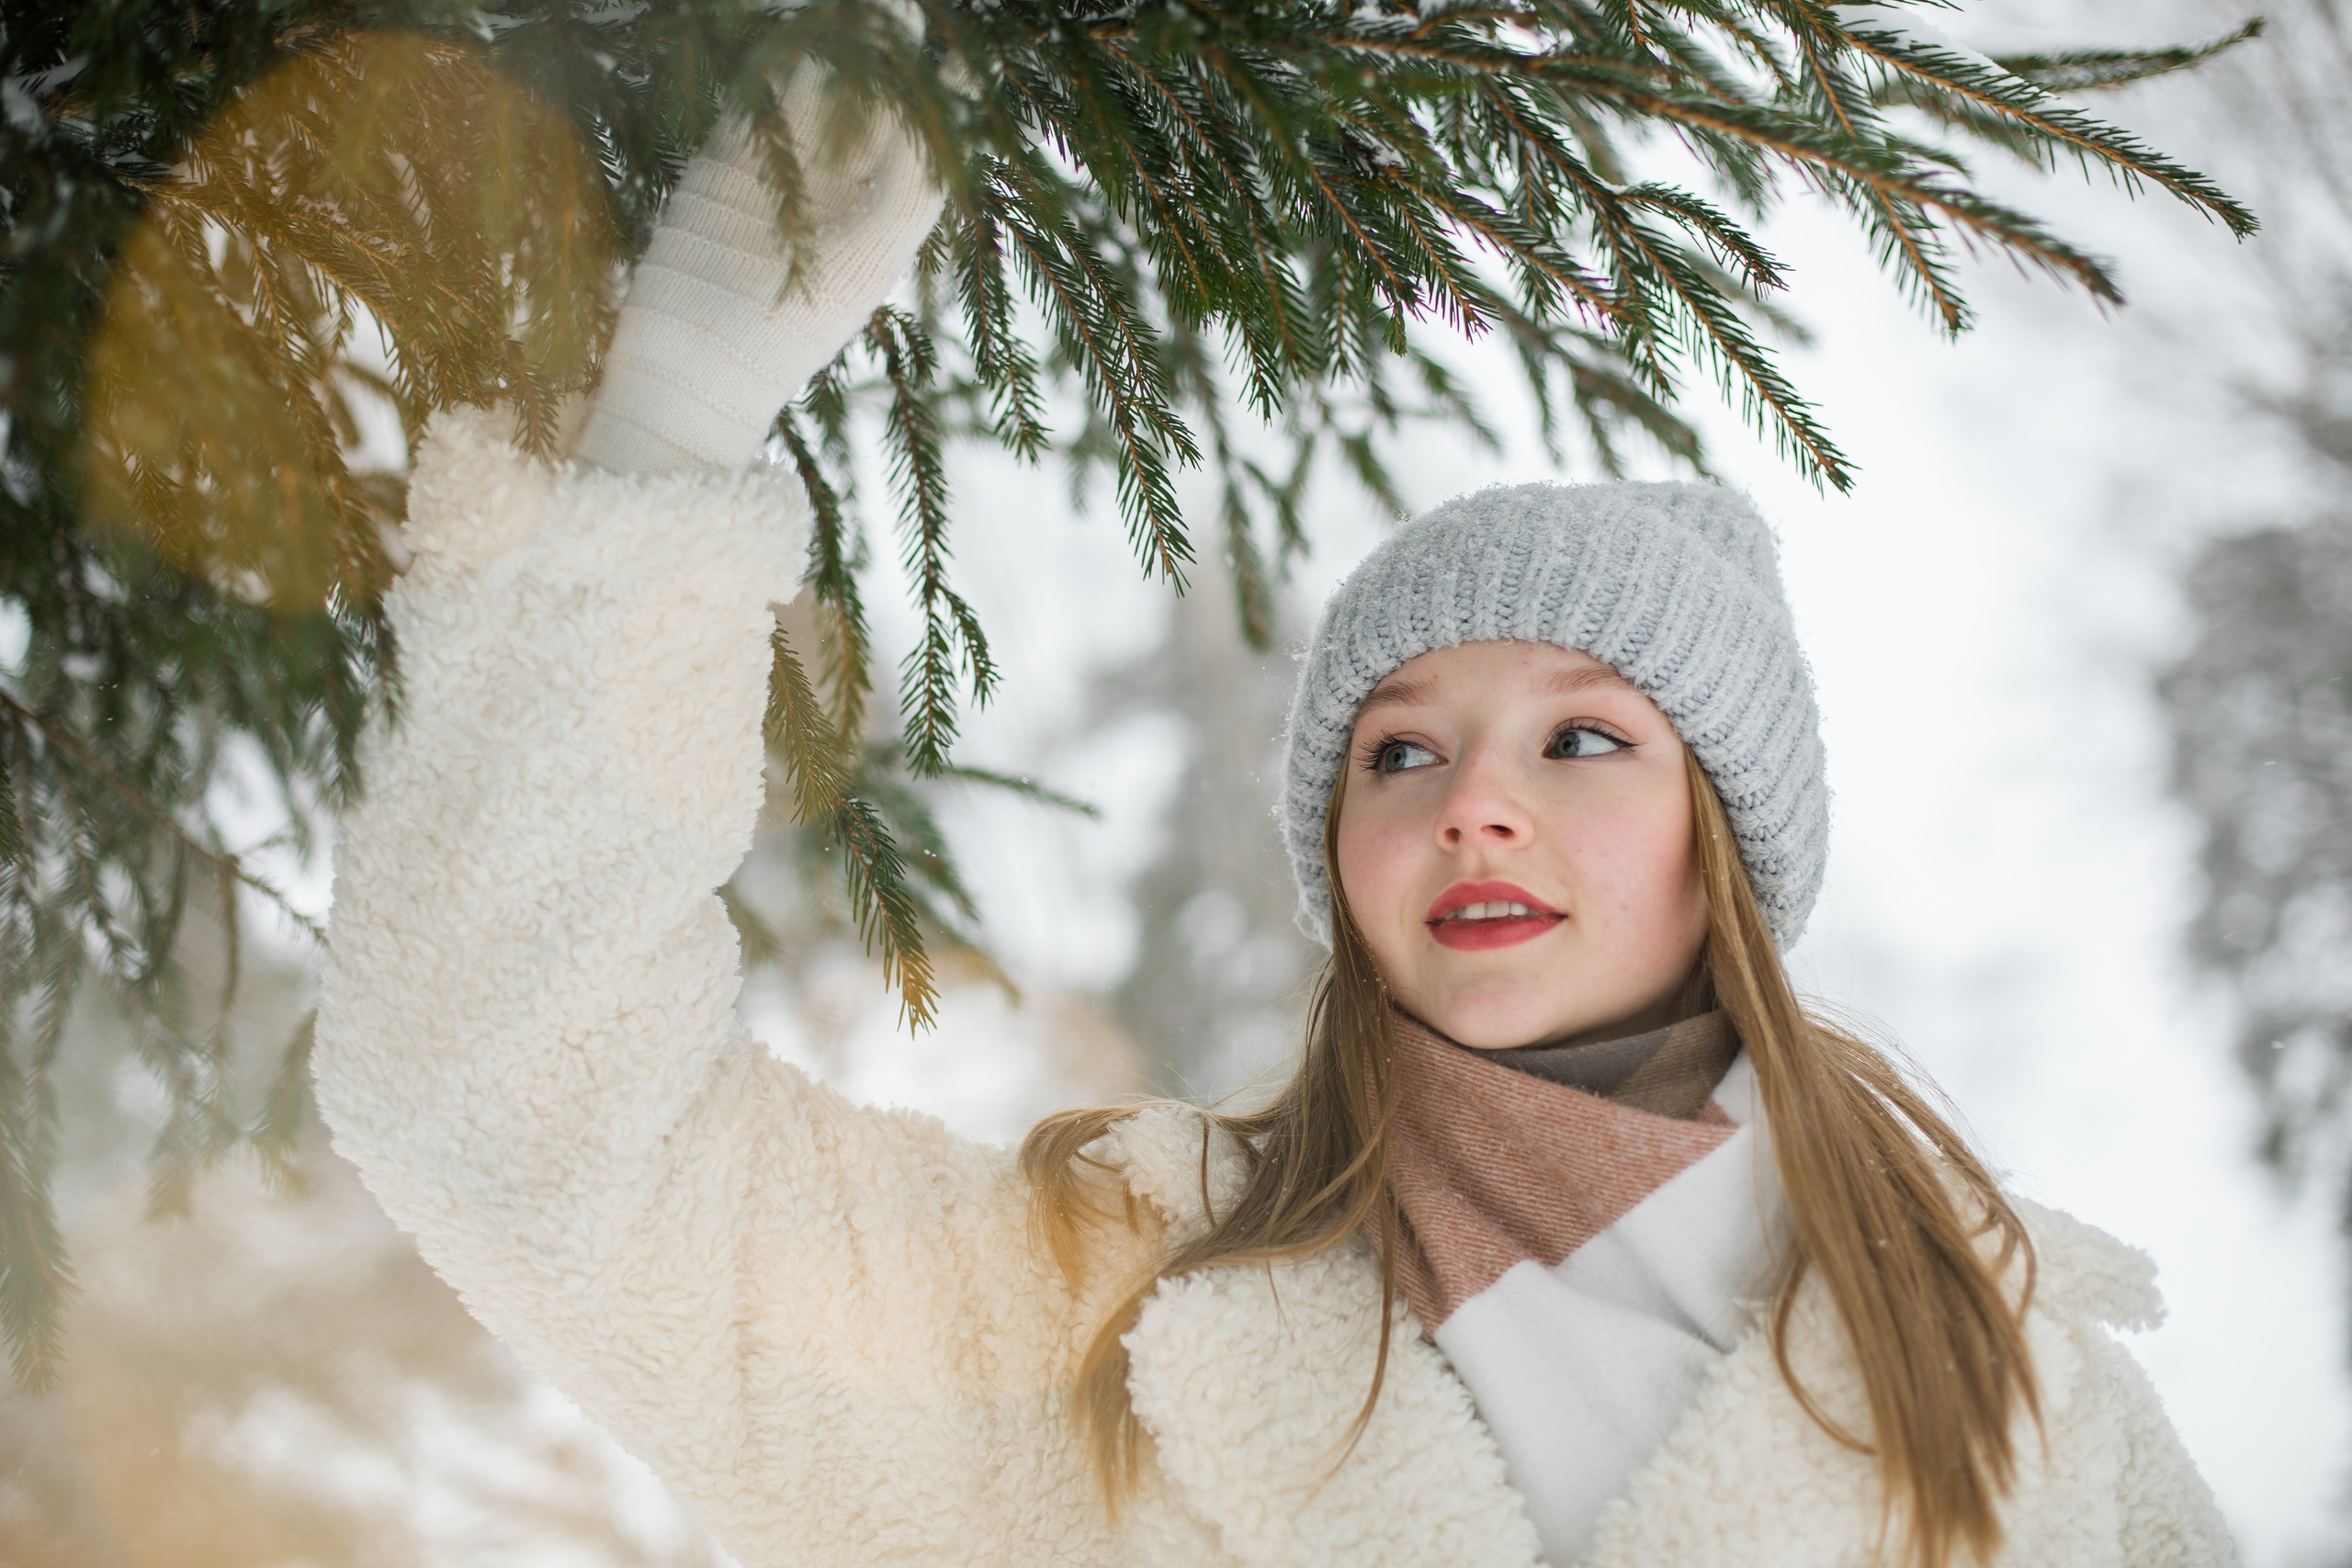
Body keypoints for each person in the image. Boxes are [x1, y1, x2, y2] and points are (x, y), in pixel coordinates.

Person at [311, 59, 2234, 1568]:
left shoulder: (2027, 1384)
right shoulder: (1113, 1324)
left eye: (1580, 741)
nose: (1474, 803)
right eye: (1399, 750)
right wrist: (666, 428)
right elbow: (519, 1125)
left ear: (1721, 836)